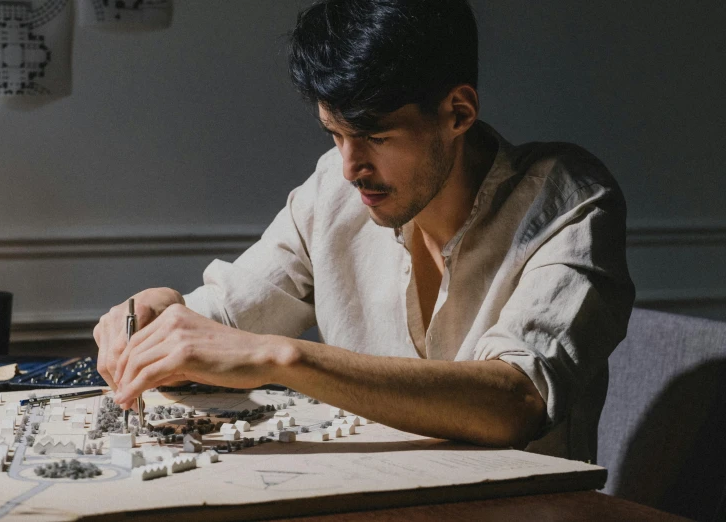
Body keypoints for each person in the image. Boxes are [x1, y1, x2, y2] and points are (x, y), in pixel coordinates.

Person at [94, 0, 634, 460]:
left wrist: (285, 357)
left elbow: (517, 402)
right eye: (335, 134)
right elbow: (228, 320)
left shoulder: (571, 202)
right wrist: (165, 314)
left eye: (375, 137)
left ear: (458, 112)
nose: (352, 168)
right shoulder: (335, 190)